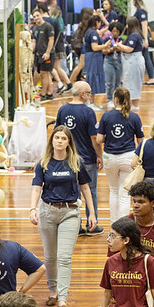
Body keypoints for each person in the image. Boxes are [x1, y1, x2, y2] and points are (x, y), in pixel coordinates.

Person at [30, 125, 97, 307]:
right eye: (56, 138)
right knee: (50, 257)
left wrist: (91, 214)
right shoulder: (43, 163)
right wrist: (32, 208)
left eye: (63, 138)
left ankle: (63, 299)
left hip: (70, 212)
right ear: (52, 140)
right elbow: (37, 188)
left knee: (64, 258)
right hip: (48, 212)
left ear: (69, 142)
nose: (59, 141)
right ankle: (53, 292)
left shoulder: (76, 162)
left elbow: (85, 188)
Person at [55, 82, 104, 236]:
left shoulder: (63, 109)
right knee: (91, 191)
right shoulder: (88, 112)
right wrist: (99, 155)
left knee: (72, 193)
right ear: (82, 94)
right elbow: (94, 137)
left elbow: (57, 132)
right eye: (89, 92)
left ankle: (74, 225)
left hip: (67, 158)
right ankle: (92, 224)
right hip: (87, 159)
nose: (90, 95)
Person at [97, 87, 144, 222]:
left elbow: (99, 139)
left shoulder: (106, 116)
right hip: (128, 157)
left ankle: (114, 224)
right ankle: (122, 226)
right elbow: (141, 141)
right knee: (124, 194)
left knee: (113, 190)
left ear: (115, 100)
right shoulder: (134, 117)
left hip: (109, 157)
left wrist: (110, 139)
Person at [119, 17, 146, 109]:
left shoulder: (134, 35)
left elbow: (129, 49)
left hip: (133, 61)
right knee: (131, 82)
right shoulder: (134, 34)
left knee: (133, 83)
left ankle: (134, 105)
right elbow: (122, 38)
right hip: (133, 61)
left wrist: (119, 45)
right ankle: (132, 104)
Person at [82, 14, 109, 109]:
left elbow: (101, 31)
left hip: (90, 57)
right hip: (94, 57)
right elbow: (95, 47)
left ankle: (90, 101)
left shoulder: (89, 32)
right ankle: (90, 101)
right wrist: (105, 45)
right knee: (93, 77)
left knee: (91, 76)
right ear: (97, 22)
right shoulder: (93, 33)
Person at [30, 8, 55, 99]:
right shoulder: (35, 27)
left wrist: (47, 53)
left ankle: (43, 94)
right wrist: (31, 52)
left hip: (47, 54)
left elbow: (51, 40)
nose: (36, 18)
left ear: (41, 15)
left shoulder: (48, 26)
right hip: (38, 54)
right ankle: (49, 93)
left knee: (45, 73)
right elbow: (34, 41)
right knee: (44, 73)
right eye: (34, 17)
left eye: (37, 15)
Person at [131, 0, 154, 85]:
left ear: (135, 1)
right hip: (140, 36)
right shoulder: (139, 11)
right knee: (145, 56)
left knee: (144, 56)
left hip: (142, 37)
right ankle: (150, 77)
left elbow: (144, 26)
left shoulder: (141, 11)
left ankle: (151, 78)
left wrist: (145, 39)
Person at [101, 21, 124, 110]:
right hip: (109, 61)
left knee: (117, 82)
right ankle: (110, 99)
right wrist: (111, 49)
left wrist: (119, 49)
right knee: (110, 81)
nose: (115, 33)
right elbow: (103, 51)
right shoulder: (107, 40)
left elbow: (124, 50)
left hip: (118, 61)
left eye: (117, 31)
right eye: (113, 31)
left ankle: (118, 99)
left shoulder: (122, 40)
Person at [68, 8, 93, 85]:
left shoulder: (82, 23)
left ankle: (71, 82)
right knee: (81, 65)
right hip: (85, 47)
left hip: (82, 46)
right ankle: (69, 82)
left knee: (81, 65)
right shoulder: (89, 24)